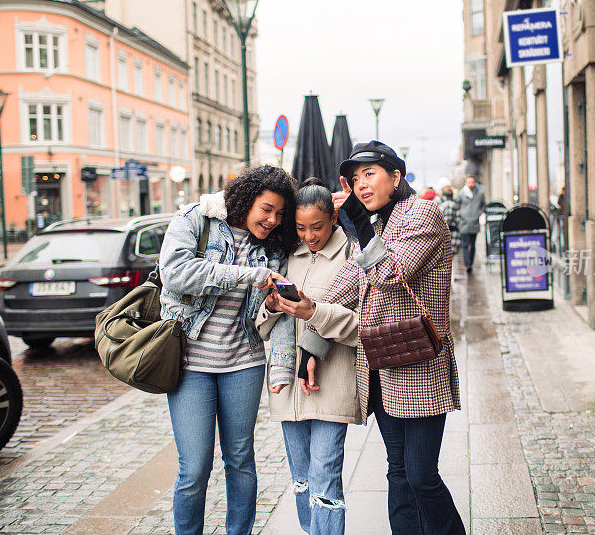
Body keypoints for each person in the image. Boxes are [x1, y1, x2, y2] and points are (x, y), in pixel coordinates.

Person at [296, 141, 465, 534]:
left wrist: (354, 218)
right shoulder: (374, 226)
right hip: (382, 368)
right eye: (355, 179)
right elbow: (351, 284)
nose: (361, 185)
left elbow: (393, 274)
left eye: (369, 175)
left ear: (396, 176)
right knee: (398, 472)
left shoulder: (421, 214)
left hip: (420, 368)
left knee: (422, 476)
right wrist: (310, 331)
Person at [158, 165, 298, 535]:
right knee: (194, 467)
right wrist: (246, 275)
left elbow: (278, 312)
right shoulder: (195, 219)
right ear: (246, 199)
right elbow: (175, 273)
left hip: (244, 363)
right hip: (190, 364)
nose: (272, 220)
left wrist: (282, 365)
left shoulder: (272, 246)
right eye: (267, 209)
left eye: (280, 214)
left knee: (240, 460)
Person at [256, 177, 360, 534]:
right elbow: (262, 326)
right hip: (290, 391)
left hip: (333, 384)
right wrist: (271, 307)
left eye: (316, 226)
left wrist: (315, 313)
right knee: (301, 479)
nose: (309, 236)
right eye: (301, 228)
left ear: (333, 219)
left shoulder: (352, 255)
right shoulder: (288, 258)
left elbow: (361, 326)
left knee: (325, 478)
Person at [456, 174, 486, 274]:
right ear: (466, 183)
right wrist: (460, 217)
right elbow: (457, 206)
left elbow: (483, 206)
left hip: (474, 223)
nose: (471, 184)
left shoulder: (480, 194)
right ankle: (467, 264)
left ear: (475, 183)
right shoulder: (461, 193)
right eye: (469, 182)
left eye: (472, 182)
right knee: (465, 244)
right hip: (464, 223)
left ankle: (470, 263)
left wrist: (478, 213)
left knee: (472, 245)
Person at [436, 178, 460, 258]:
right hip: (441, 233)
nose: (449, 188)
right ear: (442, 189)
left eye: (449, 187)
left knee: (451, 256)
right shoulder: (438, 201)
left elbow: (458, 216)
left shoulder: (455, 200)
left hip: (453, 233)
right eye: (447, 187)